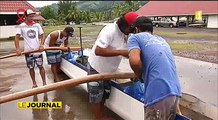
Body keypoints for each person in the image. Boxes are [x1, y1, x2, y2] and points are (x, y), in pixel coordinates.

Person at [87, 12, 139, 120]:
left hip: (109, 71)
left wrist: (137, 70)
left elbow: (130, 54)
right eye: (132, 29)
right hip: (96, 68)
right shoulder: (109, 30)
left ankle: (101, 116)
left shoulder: (126, 34)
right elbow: (98, 50)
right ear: (125, 25)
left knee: (104, 95)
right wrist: (120, 52)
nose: (132, 32)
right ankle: (99, 118)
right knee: (96, 97)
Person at [127, 16, 182, 120]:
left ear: (137, 29)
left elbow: (134, 62)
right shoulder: (161, 40)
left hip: (158, 93)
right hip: (175, 91)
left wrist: (140, 76)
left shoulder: (135, 38)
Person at [15, 9, 46, 88]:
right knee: (31, 68)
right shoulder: (21, 26)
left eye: (33, 16)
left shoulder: (37, 25)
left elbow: (42, 35)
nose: (32, 17)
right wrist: (18, 49)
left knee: (41, 66)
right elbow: (17, 38)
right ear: (25, 17)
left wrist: (42, 45)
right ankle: (34, 83)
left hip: (38, 50)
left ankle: (44, 83)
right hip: (28, 52)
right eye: (30, 16)